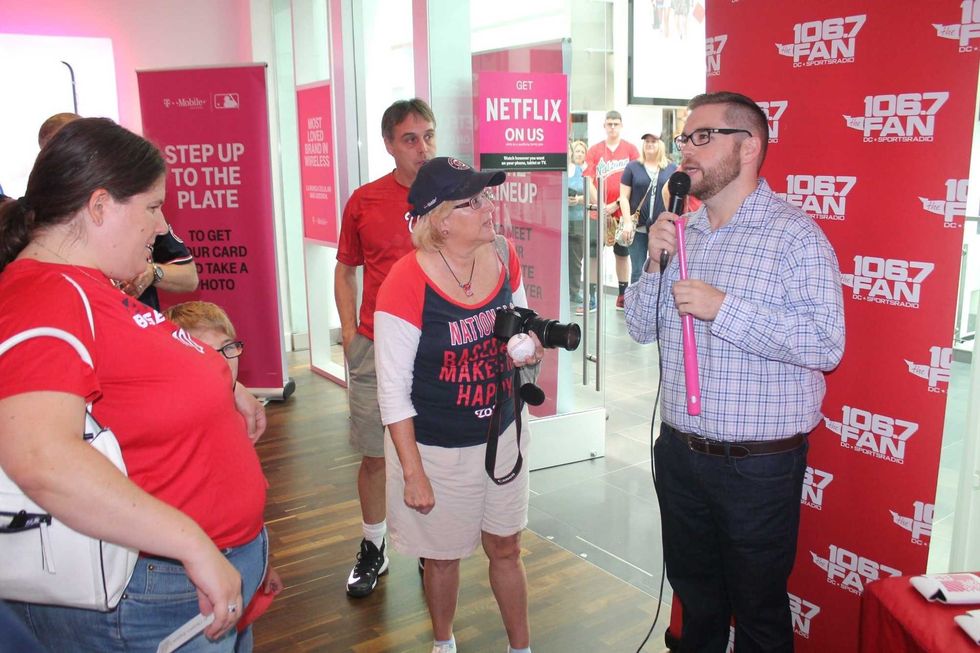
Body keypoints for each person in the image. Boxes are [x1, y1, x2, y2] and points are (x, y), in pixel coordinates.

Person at [0, 118, 269, 652]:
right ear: (100, 207)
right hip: (156, 588)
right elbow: (39, 457)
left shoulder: (87, 285)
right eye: (151, 207)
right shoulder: (46, 297)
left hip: (201, 572)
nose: (159, 224)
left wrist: (221, 384)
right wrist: (194, 546)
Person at [624, 91, 845, 652]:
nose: (686, 153)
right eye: (683, 141)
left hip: (757, 471)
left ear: (748, 147)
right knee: (696, 606)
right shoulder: (682, 232)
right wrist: (653, 262)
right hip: (679, 455)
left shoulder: (794, 236)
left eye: (703, 138)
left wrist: (726, 308)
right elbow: (640, 329)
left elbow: (826, 345)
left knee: (759, 615)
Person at [374, 157, 541, 653]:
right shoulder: (405, 283)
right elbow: (392, 393)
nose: (489, 208)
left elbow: (527, 322)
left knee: (507, 548)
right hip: (437, 449)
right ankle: (443, 642)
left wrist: (529, 344)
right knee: (443, 558)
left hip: (504, 434)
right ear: (441, 220)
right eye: (473, 202)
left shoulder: (505, 255)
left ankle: (521, 648)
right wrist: (413, 473)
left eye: (486, 197)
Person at [334, 98, 437, 597]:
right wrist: (350, 334)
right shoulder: (365, 201)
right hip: (375, 345)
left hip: (436, 350)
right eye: (410, 139)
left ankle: (427, 548)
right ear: (389, 145)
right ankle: (374, 546)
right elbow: (345, 268)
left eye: (428, 136)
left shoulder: (451, 200)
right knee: (376, 456)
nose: (423, 147)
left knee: (430, 452)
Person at [163, 301, 284, 651]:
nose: (221, 360)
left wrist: (262, 566)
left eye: (228, 348)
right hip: (202, 580)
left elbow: (246, 501)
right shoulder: (180, 423)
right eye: (205, 350)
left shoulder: (234, 412)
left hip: (242, 564)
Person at [38, 111, 199, 309]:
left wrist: (151, 272)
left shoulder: (134, 206)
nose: (159, 226)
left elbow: (190, 277)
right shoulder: (35, 220)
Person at [586, 110, 639, 311]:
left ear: (621, 125)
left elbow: (636, 181)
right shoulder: (595, 150)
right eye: (609, 124)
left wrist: (616, 204)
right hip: (597, 212)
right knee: (593, 255)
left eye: (616, 123)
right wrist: (600, 203)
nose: (613, 127)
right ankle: (591, 296)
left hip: (620, 212)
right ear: (604, 126)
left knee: (622, 255)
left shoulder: (631, 150)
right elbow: (588, 180)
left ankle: (622, 295)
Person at [619, 132, 677, 287]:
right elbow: (623, 197)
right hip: (637, 227)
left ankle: (654, 307)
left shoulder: (671, 168)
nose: (650, 144)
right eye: (647, 142)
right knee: (638, 270)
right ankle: (635, 308)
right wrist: (627, 222)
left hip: (661, 228)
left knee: (659, 268)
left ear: (661, 145)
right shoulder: (632, 167)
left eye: (653, 141)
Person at [566, 140, 588, 306]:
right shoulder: (561, 171)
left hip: (578, 220)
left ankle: (574, 291)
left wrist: (578, 199)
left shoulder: (582, 171)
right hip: (560, 220)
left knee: (575, 258)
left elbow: (591, 193)